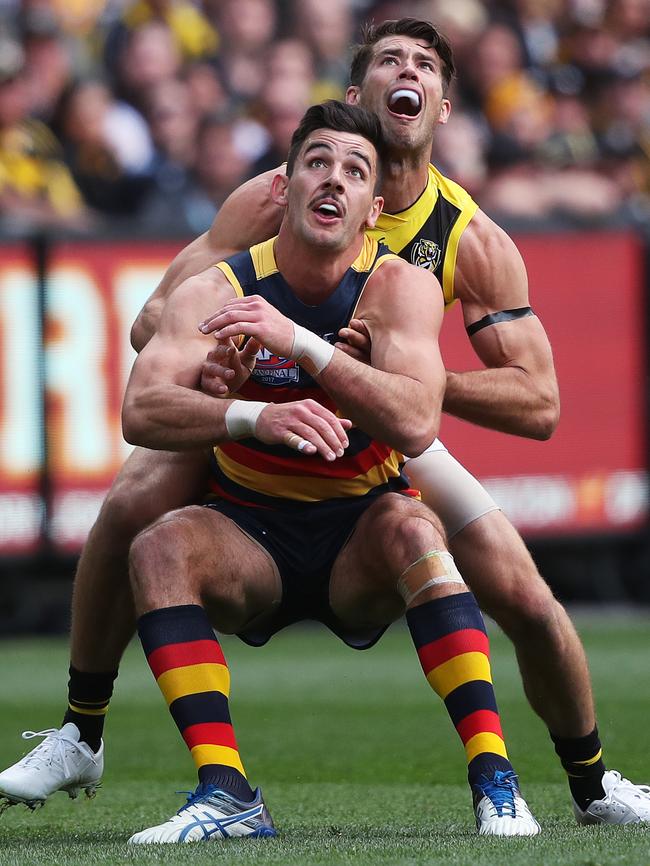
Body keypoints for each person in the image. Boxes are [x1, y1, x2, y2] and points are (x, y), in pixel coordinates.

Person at [1, 18, 648, 827]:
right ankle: (80, 731)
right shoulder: (284, 192)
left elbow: (541, 404)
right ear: (357, 94)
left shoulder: (468, 236)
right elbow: (152, 326)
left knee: (523, 592)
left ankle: (591, 787)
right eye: (388, 59)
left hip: (384, 431)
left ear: (443, 105)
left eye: (424, 64)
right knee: (133, 503)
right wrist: (219, 370)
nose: (406, 71)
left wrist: (397, 379)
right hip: (264, 412)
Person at [121, 100, 539, 841]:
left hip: (359, 532)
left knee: (419, 526)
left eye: (354, 171)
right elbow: (141, 410)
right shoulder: (216, 288)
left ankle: (496, 782)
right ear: (285, 185)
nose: (334, 180)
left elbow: (418, 423)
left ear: (373, 210)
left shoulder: (400, 286)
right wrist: (249, 414)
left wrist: (305, 348)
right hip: (249, 531)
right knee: (154, 542)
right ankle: (225, 794)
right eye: (318, 161)